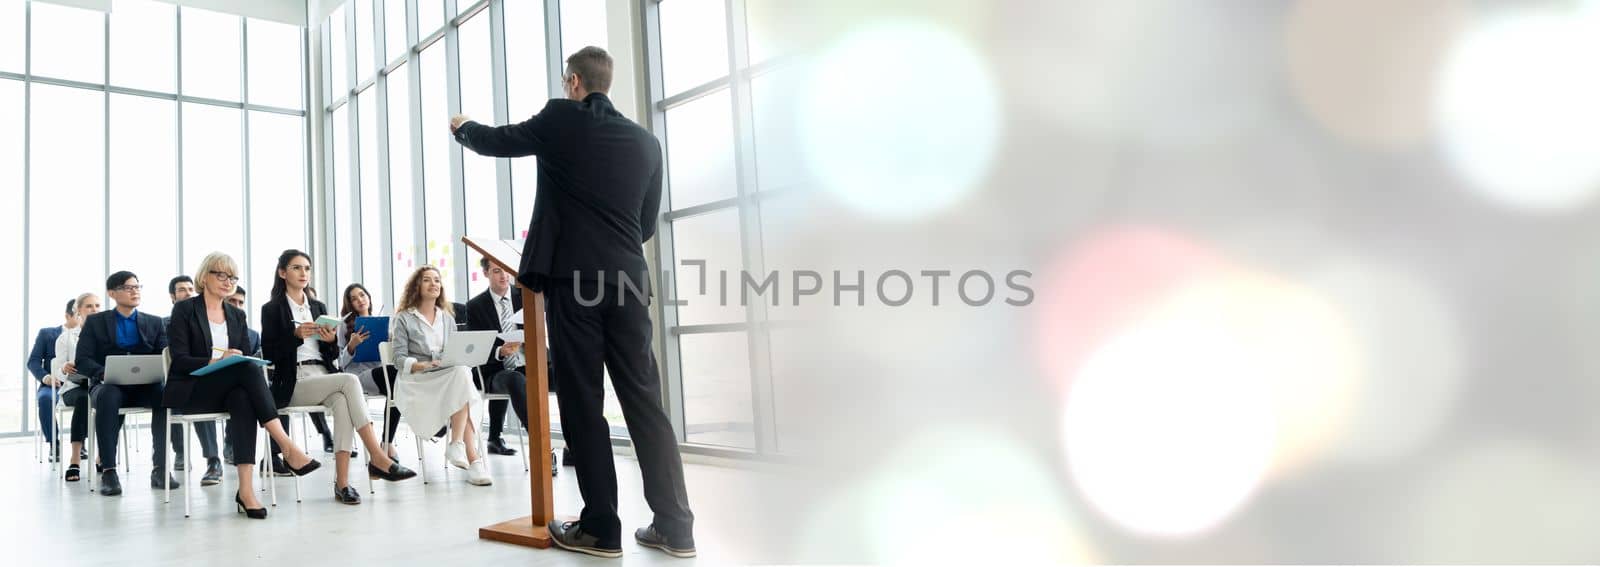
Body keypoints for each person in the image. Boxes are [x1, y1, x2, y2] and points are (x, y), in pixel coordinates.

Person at [451, 46, 694, 558]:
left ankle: (600, 529)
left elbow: (498, 141)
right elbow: (645, 224)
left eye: (568, 83)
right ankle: (676, 527)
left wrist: (463, 127)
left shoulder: (560, 118)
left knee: (584, 402)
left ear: (574, 82)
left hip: (574, 282)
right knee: (645, 402)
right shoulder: (647, 142)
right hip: (629, 280)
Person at [162, 252, 323, 519]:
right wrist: (218, 359)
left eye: (233, 277)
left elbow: (246, 355)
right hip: (193, 390)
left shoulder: (237, 314)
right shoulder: (185, 309)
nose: (228, 281)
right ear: (205, 276)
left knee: (243, 397)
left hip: (228, 390)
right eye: (221, 274)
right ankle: (286, 445)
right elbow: (179, 360)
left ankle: (246, 491)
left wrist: (233, 360)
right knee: (246, 369)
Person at [261, 250, 416, 504]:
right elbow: (270, 353)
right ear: (282, 273)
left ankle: (343, 484)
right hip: (294, 381)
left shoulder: (318, 307)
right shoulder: (272, 309)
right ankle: (377, 455)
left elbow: (331, 354)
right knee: (350, 381)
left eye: (307, 268)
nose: (303, 273)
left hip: (323, 375)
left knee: (344, 403)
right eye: (297, 268)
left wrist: (331, 341)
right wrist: (295, 335)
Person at [75, 271, 179, 496]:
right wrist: (101, 373)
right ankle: (109, 471)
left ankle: (160, 468)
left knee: (164, 393)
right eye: (128, 287)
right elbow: (82, 360)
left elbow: (163, 355)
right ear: (112, 293)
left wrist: (160, 371)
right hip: (108, 385)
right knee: (108, 395)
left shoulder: (154, 322)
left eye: (137, 287)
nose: (135, 291)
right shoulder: (95, 322)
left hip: (144, 386)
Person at [389, 266, 490, 486]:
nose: (434, 284)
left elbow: (454, 350)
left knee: (462, 373)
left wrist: (455, 358)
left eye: (437, 280)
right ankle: (472, 460)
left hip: (446, 375)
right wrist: (422, 365)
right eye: (427, 280)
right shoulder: (403, 318)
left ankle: (462, 449)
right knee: (462, 382)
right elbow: (398, 359)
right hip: (417, 380)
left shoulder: (447, 318)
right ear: (417, 286)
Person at [466, 257, 561, 477]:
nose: (503, 276)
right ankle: (542, 447)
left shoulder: (527, 297)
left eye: (506, 271)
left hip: (530, 363)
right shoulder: (476, 306)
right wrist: (500, 351)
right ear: (486, 274)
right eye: (497, 271)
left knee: (569, 373)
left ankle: (574, 446)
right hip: (496, 370)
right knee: (515, 379)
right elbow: (476, 348)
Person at [166, 275, 223, 485]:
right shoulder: (164, 323)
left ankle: (214, 459)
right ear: (172, 296)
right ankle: (180, 452)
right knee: (174, 396)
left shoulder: (207, 321)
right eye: (182, 289)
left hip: (205, 377)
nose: (188, 293)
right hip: (177, 379)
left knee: (201, 394)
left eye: (191, 289)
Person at [337, 283, 401, 460]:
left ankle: (386, 443)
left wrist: (393, 341)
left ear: (369, 297)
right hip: (359, 377)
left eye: (362, 295)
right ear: (350, 304)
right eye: (354, 298)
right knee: (396, 379)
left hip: (382, 373)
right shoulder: (344, 326)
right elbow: (341, 364)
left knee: (398, 386)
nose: (360, 300)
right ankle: (387, 445)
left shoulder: (383, 324)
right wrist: (352, 345)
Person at [53, 293, 101, 481]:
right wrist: (64, 368)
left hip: (97, 384)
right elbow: (57, 370)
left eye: (97, 305)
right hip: (74, 387)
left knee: (110, 397)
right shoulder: (66, 338)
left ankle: (102, 457)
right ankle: (75, 458)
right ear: (78, 311)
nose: (94, 309)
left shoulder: (106, 337)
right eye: (89, 306)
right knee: (84, 398)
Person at [218, 286, 262, 466]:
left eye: (240, 302)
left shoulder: (252, 335)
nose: (237, 305)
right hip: (213, 377)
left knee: (243, 393)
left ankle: (234, 444)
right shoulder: (213, 327)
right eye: (232, 301)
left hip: (241, 381)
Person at [27, 300, 70, 461]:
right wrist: (46, 377)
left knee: (89, 398)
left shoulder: (88, 335)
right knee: (45, 399)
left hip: (80, 384)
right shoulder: (47, 334)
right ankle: (54, 443)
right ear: (68, 315)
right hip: (53, 384)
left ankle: (81, 443)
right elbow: (33, 361)